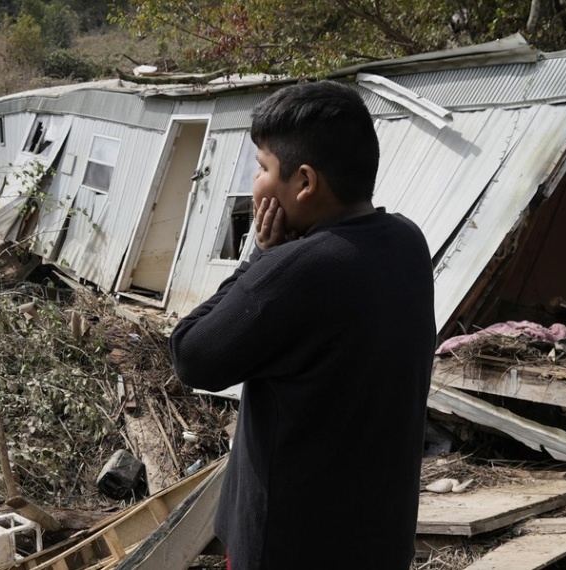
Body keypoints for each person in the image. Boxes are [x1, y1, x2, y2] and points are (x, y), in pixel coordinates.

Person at [169, 80, 436, 570]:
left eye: (263, 168)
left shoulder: (300, 270)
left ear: (305, 182)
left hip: (289, 545)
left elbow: (192, 354)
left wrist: (259, 258)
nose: (256, 183)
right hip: (378, 538)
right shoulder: (406, 243)